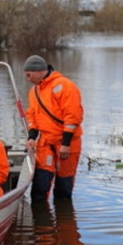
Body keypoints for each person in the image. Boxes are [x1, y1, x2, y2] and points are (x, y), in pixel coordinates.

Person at [23, 55, 84, 201]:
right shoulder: (34, 91)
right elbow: (32, 115)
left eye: (28, 75)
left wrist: (65, 143)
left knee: (63, 188)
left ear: (38, 71)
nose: (28, 79)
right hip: (45, 143)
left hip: (66, 143)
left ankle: (63, 221)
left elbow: (73, 116)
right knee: (39, 188)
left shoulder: (65, 86)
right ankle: (41, 222)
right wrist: (32, 137)